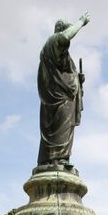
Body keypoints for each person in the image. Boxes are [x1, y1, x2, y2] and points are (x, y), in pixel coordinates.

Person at [37, 12, 90, 167]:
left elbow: (66, 75)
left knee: (65, 130)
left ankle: (61, 159)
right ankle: (54, 159)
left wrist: (78, 80)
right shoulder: (53, 42)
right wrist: (80, 22)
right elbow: (65, 37)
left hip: (66, 97)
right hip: (58, 98)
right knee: (58, 129)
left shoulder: (62, 55)